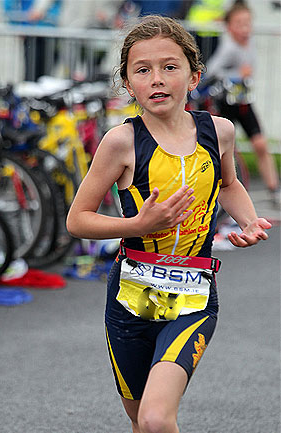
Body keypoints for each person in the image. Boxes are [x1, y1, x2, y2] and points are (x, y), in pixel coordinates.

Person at [66, 15, 272, 433]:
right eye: (143, 70)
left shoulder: (220, 132)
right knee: (141, 422)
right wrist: (139, 224)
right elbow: (77, 220)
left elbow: (228, 183)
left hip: (192, 297)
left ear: (194, 76)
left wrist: (248, 221)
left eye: (170, 67)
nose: (157, 79)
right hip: (131, 299)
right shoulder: (120, 142)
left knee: (158, 419)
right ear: (128, 84)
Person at [205, 1, 280, 206]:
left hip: (244, 102)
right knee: (225, 149)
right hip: (226, 104)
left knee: (261, 144)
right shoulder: (229, 48)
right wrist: (237, 74)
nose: (245, 29)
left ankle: (274, 190)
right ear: (229, 27)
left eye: (248, 23)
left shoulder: (250, 43)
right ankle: (220, 191)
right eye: (239, 24)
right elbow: (211, 72)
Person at [3, 0, 62, 80]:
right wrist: (16, 25)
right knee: (32, 73)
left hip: (50, 32)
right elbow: (9, 5)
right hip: (31, 32)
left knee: (46, 76)